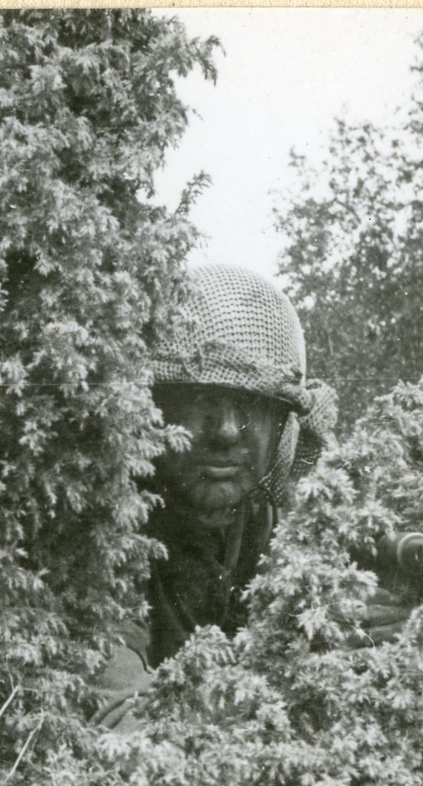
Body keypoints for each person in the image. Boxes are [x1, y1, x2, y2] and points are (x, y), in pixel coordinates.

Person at [93, 264, 337, 727]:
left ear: (281, 426)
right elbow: (118, 713)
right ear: (155, 411)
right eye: (202, 400)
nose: (226, 431)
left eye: (251, 408)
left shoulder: (268, 525)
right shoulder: (111, 524)